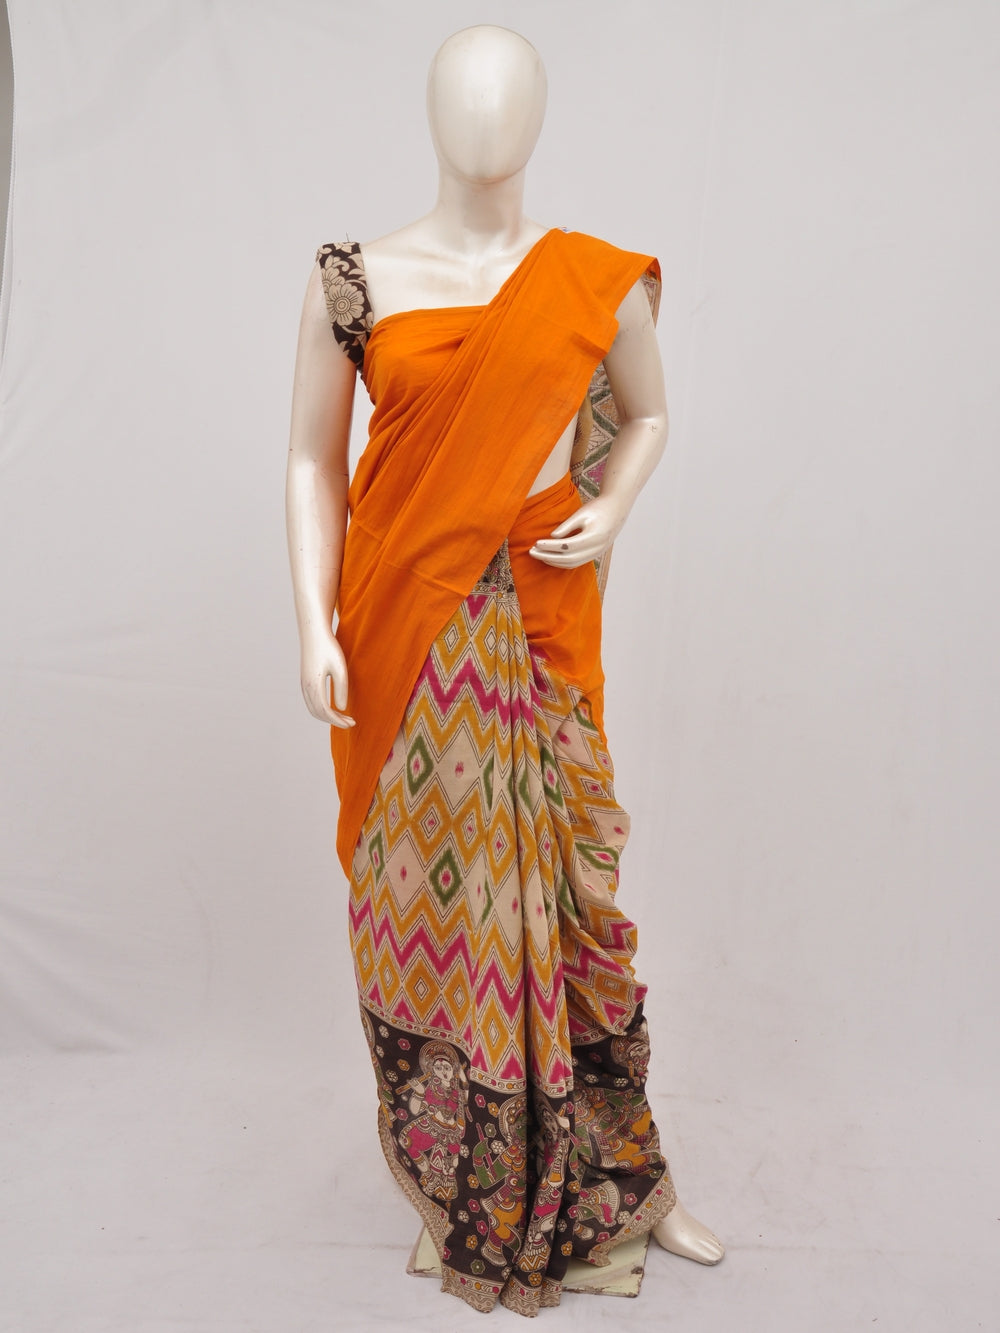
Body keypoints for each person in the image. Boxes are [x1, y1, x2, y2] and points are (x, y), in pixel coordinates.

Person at [285, 23, 724, 1317]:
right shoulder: (355, 280)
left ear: (539, 116)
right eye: (465, 97)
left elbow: (648, 414)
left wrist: (612, 502)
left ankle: (625, 1180)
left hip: (536, 629)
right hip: (404, 638)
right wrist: (312, 624)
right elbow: (312, 461)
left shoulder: (590, 280)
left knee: (573, 909)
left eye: (509, 97)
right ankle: (477, 1174)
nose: (487, 121)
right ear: (431, 113)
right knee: (431, 907)